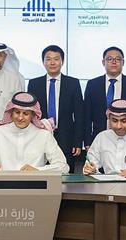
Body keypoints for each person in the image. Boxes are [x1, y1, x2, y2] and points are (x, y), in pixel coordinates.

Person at [0, 92, 69, 174]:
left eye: (25, 114)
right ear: (11, 112)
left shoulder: (43, 135)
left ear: (32, 115)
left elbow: (63, 166)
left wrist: (38, 171)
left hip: (33, 186)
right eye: (17, 112)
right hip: (3, 185)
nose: (20, 118)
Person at [28, 45, 84, 173]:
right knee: (39, 173)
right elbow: (30, 114)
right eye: (48, 59)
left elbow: (79, 115)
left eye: (56, 59)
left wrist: (77, 142)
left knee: (65, 173)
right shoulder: (34, 84)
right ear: (43, 62)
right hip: (40, 136)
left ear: (62, 62)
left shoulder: (73, 83)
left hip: (66, 139)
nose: (52, 63)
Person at [84, 46, 126, 147]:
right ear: (103, 62)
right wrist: (87, 142)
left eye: (118, 59)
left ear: (123, 62)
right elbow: (86, 116)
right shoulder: (93, 84)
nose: (114, 62)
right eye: (110, 59)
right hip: (99, 138)